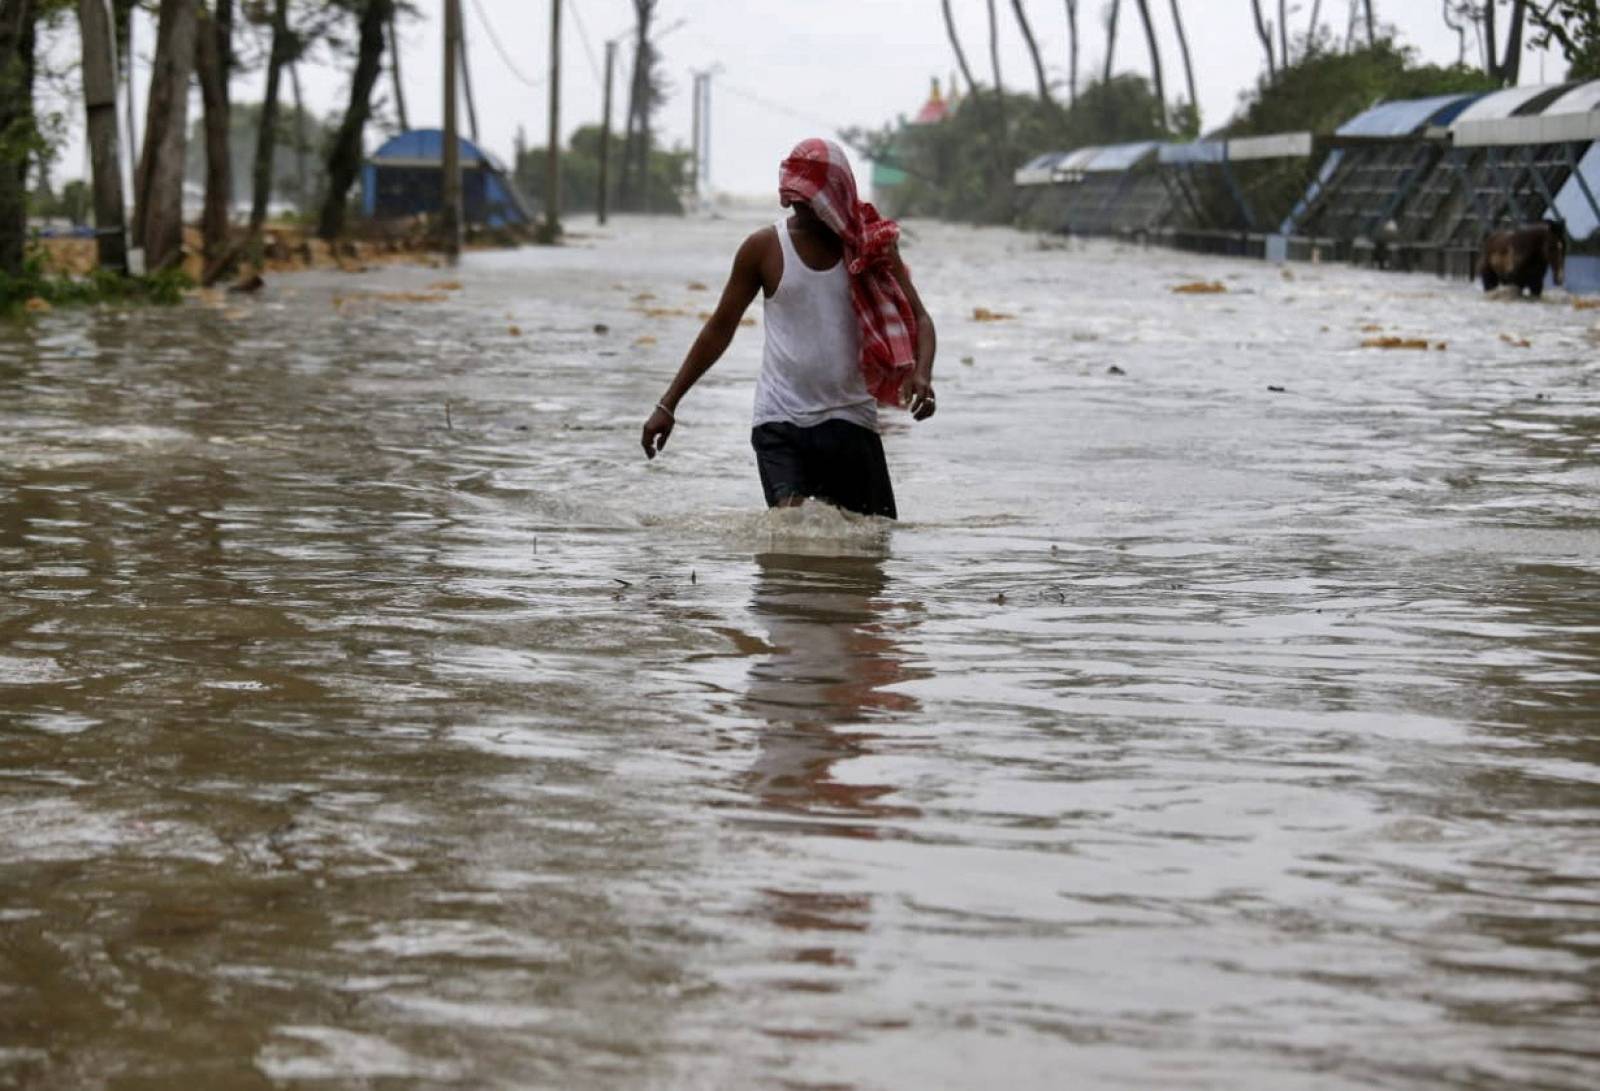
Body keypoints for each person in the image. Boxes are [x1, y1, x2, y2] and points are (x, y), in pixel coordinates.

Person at [639, 138, 937, 519]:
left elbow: (921, 319)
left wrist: (922, 374)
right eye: (795, 197)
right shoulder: (763, 249)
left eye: (810, 198)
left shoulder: (872, 249)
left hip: (851, 420)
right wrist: (668, 404)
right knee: (792, 536)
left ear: (837, 195)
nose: (801, 207)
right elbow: (718, 330)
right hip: (779, 423)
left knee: (871, 547)